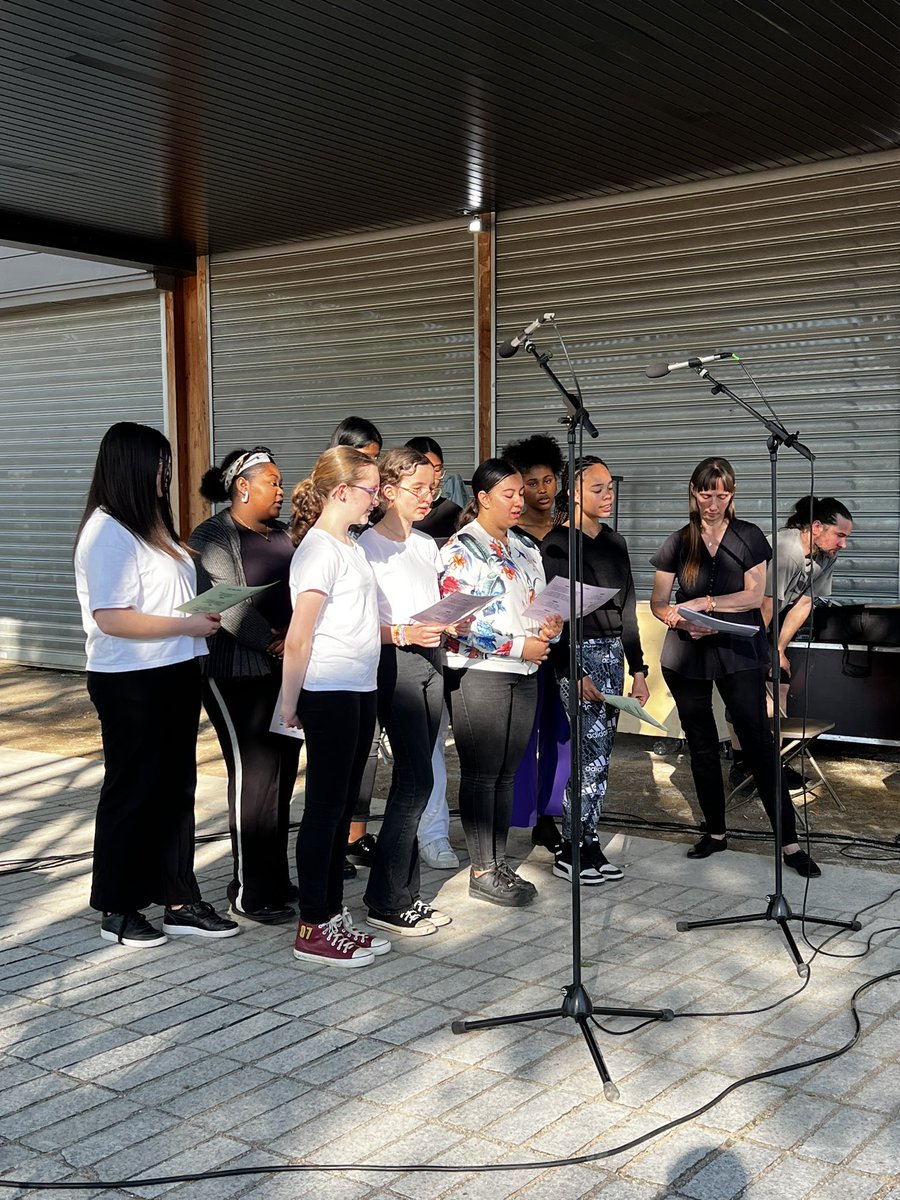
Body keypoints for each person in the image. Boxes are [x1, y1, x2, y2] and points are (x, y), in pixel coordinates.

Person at [73, 422, 239, 947]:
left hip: (174, 671)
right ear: (130, 467)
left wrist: (198, 620)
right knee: (132, 791)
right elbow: (113, 618)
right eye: (159, 464)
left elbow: (159, 602)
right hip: (129, 679)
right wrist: (186, 624)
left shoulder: (153, 526)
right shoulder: (107, 532)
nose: (167, 474)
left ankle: (178, 898)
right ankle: (118, 908)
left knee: (175, 791)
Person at [649, 457, 820, 878]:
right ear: (693, 492)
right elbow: (658, 602)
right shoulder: (678, 540)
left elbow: (753, 595)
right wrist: (677, 617)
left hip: (738, 651)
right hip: (686, 652)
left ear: (733, 494)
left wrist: (705, 605)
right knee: (701, 744)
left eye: (722, 495)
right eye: (706, 494)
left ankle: (790, 842)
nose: (713, 503)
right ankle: (716, 832)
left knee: (758, 742)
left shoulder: (748, 536)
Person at [282, 446, 390, 966]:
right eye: (371, 489)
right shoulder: (318, 550)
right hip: (327, 691)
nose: (376, 499)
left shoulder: (348, 545)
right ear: (342, 491)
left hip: (359, 687)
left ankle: (332, 915)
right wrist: (289, 702)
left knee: (343, 804)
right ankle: (313, 923)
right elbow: (299, 637)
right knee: (325, 809)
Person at [440, 458, 563, 907]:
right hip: (482, 673)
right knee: (481, 772)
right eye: (508, 494)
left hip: (526, 672)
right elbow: (455, 623)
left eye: (520, 493)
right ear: (483, 499)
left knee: (508, 773)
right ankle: (481, 868)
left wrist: (551, 628)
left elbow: (540, 606)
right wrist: (517, 647)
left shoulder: (526, 547)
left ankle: (498, 862)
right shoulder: (460, 549)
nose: (518, 501)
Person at [189, 446, 300, 924]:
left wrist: (295, 639)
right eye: (272, 482)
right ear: (242, 487)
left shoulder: (283, 535)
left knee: (280, 775)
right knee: (253, 777)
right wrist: (272, 642)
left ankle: (273, 878)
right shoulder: (211, 535)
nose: (280, 490)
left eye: (280, 483)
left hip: (285, 672)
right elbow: (225, 606)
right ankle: (249, 890)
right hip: (233, 674)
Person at [358, 447, 454, 935]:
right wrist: (402, 634)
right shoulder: (365, 548)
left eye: (431, 489)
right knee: (413, 780)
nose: (427, 497)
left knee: (421, 781)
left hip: (430, 662)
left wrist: (455, 616)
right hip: (394, 666)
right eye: (417, 489)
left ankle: (402, 893)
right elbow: (355, 623)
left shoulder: (425, 545)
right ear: (388, 491)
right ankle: (386, 898)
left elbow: (431, 606)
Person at [542, 456, 650, 885]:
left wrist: (639, 668)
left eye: (610, 488)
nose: (608, 496)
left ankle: (588, 839)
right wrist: (574, 670)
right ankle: (569, 846)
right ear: (573, 492)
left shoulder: (615, 542)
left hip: (612, 656)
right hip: (575, 655)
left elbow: (627, 609)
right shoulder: (555, 543)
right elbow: (554, 613)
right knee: (585, 754)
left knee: (602, 756)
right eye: (599, 488)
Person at [729, 495, 853, 791]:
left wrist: (780, 648)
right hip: (747, 618)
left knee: (779, 685)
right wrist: (763, 650)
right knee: (746, 690)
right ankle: (741, 765)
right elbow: (766, 605)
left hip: (774, 618)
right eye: (840, 535)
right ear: (817, 526)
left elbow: (805, 602)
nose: (843, 544)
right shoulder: (786, 549)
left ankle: (774, 764)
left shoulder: (826, 556)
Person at [500, 433, 569, 855]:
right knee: (521, 735)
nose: (541, 490)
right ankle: (515, 814)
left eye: (548, 481)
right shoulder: (508, 536)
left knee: (559, 734)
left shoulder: (570, 529)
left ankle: (549, 818)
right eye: (531, 482)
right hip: (520, 648)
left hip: (563, 647)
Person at [330, 415, 382, 875]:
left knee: (364, 757)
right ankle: (337, 843)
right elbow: (305, 627)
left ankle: (355, 835)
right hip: (332, 679)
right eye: (365, 467)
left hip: (362, 673)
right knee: (334, 779)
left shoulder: (359, 534)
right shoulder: (322, 541)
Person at [501, 433, 564, 543]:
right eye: (532, 484)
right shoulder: (509, 531)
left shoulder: (566, 531)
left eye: (548, 481)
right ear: (520, 488)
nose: (542, 489)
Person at [406, 436, 463, 543]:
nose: (431, 476)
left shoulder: (452, 513)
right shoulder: (390, 515)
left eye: (437, 470)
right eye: (424, 469)